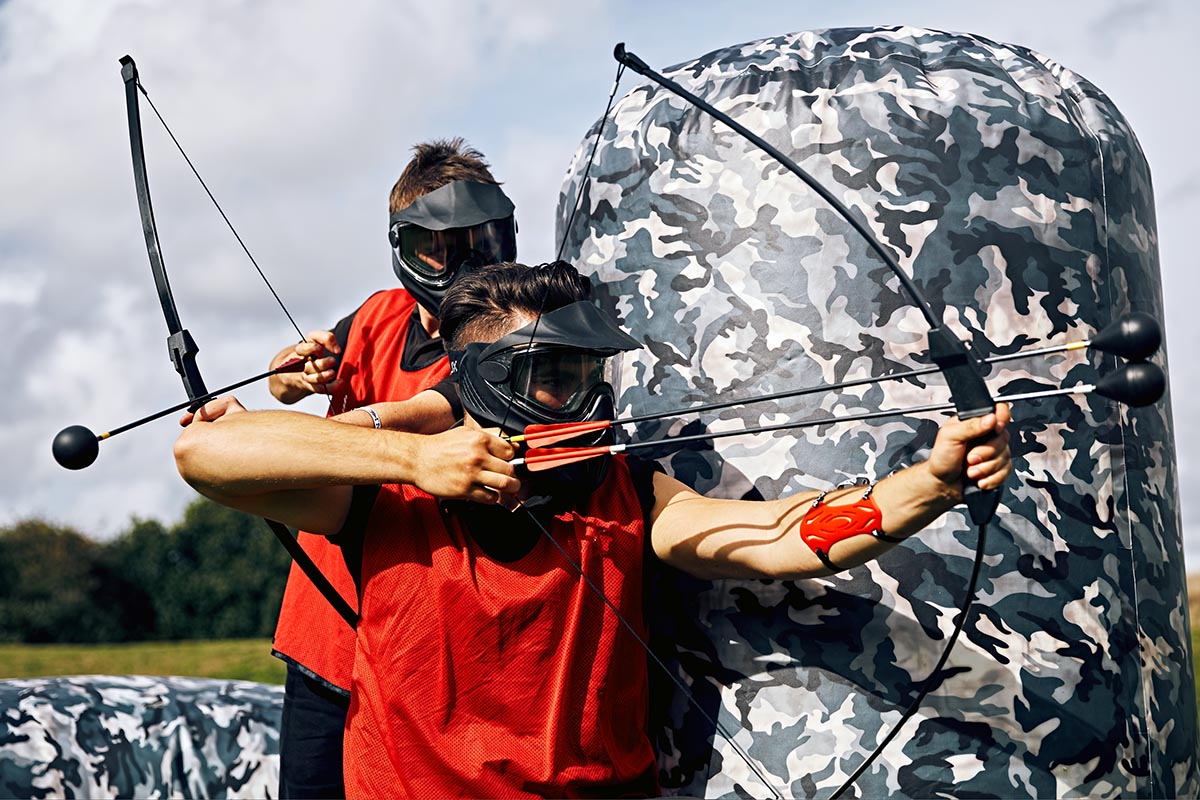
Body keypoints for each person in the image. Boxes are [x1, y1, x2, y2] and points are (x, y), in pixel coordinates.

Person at [175, 261, 1012, 798]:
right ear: (489, 379)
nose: (583, 397)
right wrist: (416, 461)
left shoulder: (623, 487)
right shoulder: (386, 494)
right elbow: (205, 452)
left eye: (589, 372)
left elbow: (776, 536)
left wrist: (929, 483)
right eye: (554, 375)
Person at [264, 139, 518, 798]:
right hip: (324, 635)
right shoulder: (376, 315)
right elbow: (286, 387)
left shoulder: (514, 340)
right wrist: (291, 380)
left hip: (417, 651)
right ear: (408, 246)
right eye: (442, 246)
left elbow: (437, 411)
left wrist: (277, 443)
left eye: (480, 240)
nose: (463, 262)